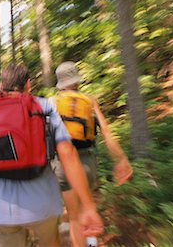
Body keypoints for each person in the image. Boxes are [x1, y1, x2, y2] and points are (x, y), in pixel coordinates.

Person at [0, 63, 103, 247]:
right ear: (28, 84)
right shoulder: (43, 106)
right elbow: (68, 154)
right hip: (43, 205)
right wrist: (87, 206)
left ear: (1, 84)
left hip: (1, 211)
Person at [51, 61, 133, 247]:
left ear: (60, 83)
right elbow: (106, 133)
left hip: (63, 165)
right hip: (87, 163)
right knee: (88, 212)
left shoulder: (53, 103)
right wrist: (120, 158)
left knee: (73, 218)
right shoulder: (90, 101)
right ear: (77, 80)